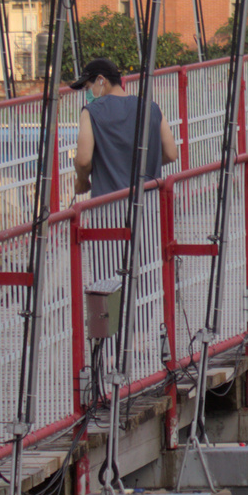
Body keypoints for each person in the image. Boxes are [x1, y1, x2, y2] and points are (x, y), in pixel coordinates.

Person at [71, 57, 173, 364]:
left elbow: (84, 157)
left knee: (107, 275)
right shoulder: (151, 108)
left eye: (89, 86)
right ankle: (141, 340)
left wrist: (81, 180)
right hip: (149, 206)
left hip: (107, 210)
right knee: (146, 272)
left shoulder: (93, 112)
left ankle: (111, 342)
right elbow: (171, 152)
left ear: (101, 81)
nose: (89, 93)